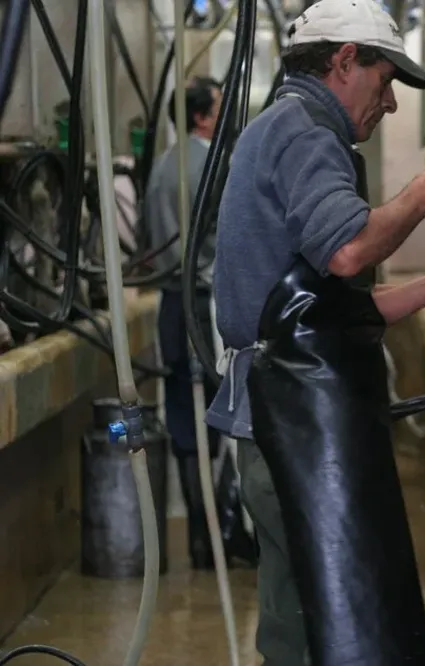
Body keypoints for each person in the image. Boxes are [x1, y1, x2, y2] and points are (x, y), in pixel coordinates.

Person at [204, 0, 425, 662]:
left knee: (321, 616)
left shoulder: (290, 128)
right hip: (290, 423)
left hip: (291, 413)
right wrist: (423, 193)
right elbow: (348, 250)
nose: (393, 106)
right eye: (386, 84)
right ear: (346, 61)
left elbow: (328, 312)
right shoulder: (304, 133)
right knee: (311, 629)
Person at [143, 76, 254, 570]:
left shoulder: (163, 167)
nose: (227, 113)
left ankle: (199, 539)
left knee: (184, 420)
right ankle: (227, 533)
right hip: (208, 305)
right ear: (203, 117)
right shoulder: (216, 165)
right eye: (220, 105)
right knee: (230, 416)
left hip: (171, 307)